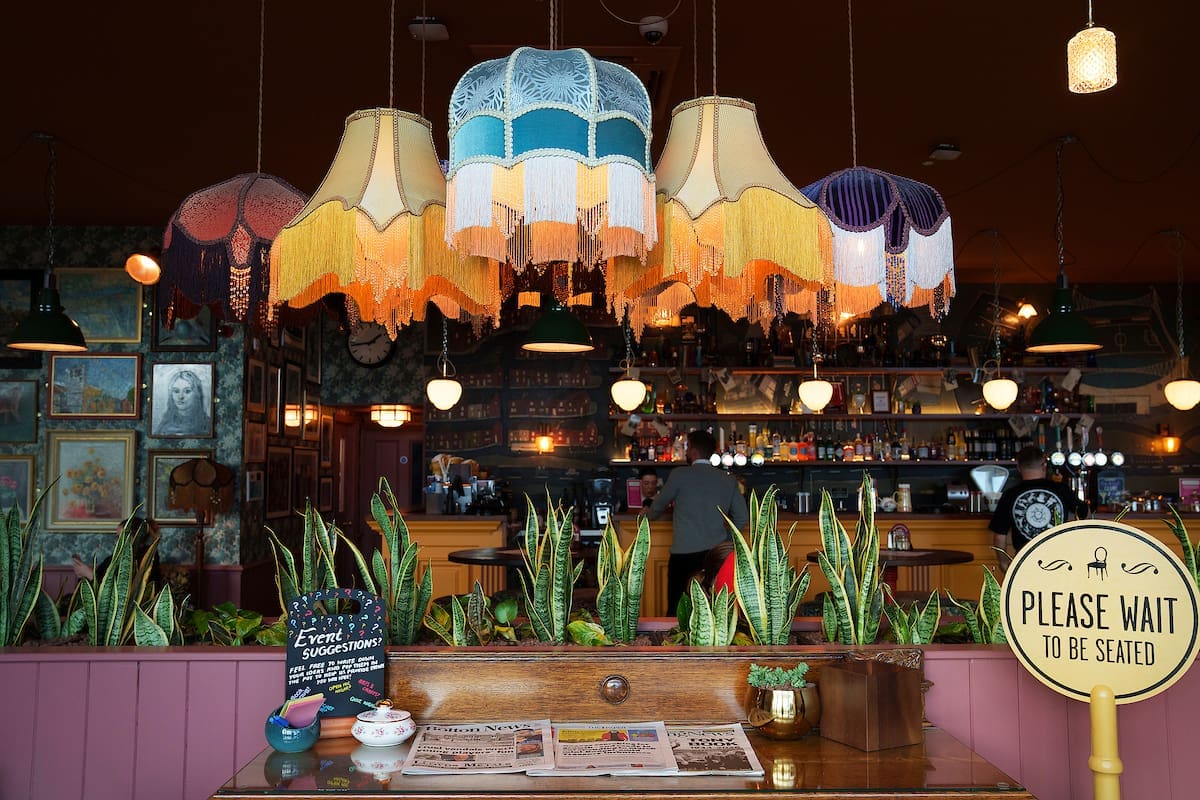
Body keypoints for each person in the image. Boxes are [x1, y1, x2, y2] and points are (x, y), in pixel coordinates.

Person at [647, 429, 749, 611]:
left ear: (693, 451)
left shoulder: (679, 475)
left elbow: (657, 507)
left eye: (687, 448)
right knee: (714, 609)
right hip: (715, 555)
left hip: (683, 554)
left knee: (678, 608)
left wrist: (644, 517)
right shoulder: (728, 479)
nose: (686, 452)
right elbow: (742, 517)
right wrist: (724, 541)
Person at [989, 445, 1088, 569]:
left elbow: (999, 536)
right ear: (1044, 465)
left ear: (1019, 467)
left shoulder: (1010, 495)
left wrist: (1004, 563)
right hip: (1061, 562)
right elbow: (1085, 514)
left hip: (1025, 563)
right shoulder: (1061, 489)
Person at [155, 368, 211, 436]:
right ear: (171, 394)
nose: (180, 397)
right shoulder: (164, 425)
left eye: (187, 391)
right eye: (176, 391)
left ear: (197, 394)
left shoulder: (208, 424)